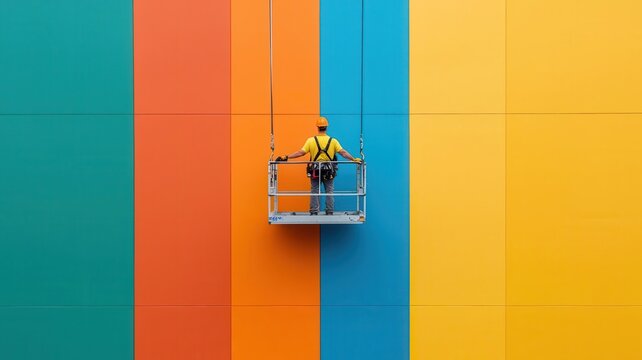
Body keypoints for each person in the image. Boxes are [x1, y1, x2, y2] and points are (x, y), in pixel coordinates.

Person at [276, 117, 361, 215]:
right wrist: (353, 159)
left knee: (315, 190)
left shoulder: (311, 141)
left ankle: (314, 211)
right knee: (329, 190)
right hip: (329, 170)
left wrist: (286, 157)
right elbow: (343, 152)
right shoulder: (333, 141)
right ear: (326, 127)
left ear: (317, 127)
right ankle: (329, 211)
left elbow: (301, 153)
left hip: (315, 170)